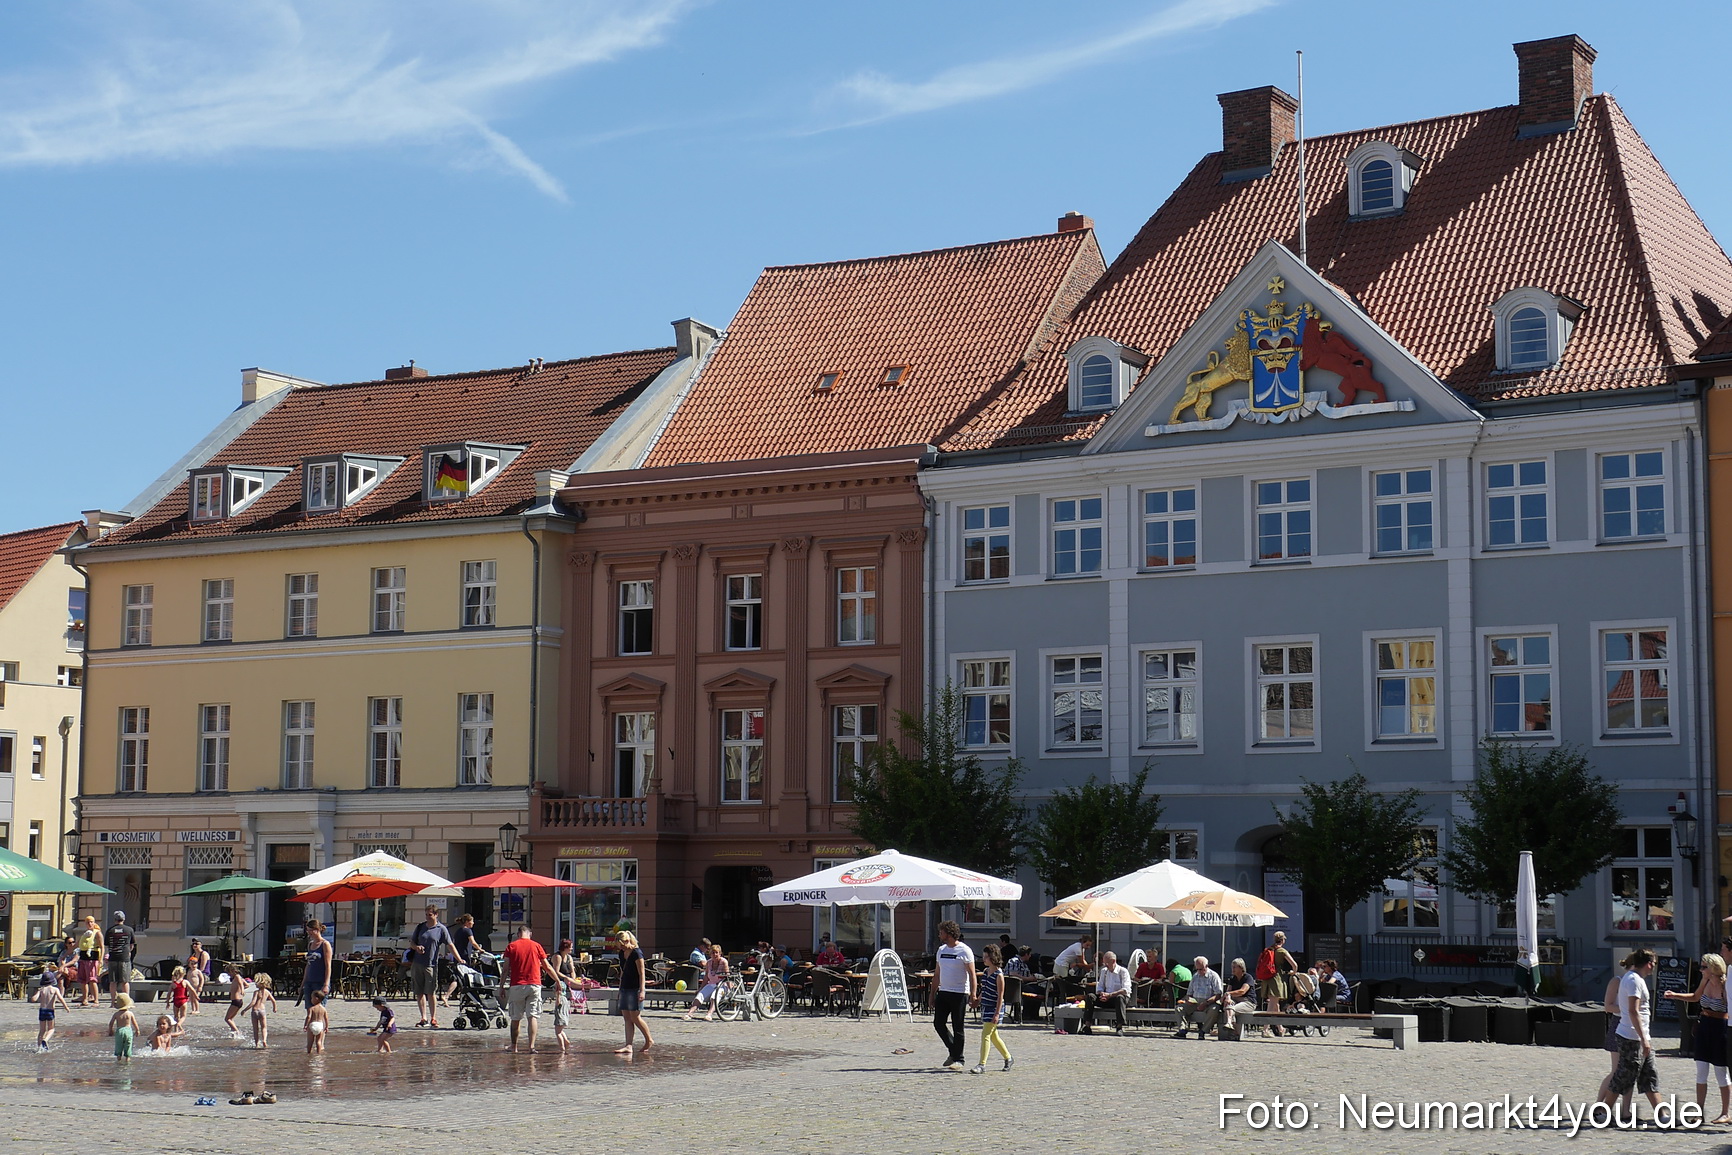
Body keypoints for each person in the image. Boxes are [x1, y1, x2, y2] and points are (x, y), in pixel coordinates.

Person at [1664, 951, 1730, 1124]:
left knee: (1720, 1072)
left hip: (1720, 1028)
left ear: (1713, 968)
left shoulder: (1726, 984)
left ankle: (1725, 1112)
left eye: (1703, 967)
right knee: (1701, 1071)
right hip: (1704, 1026)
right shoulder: (1705, 980)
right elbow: (1695, 997)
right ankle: (1699, 1112)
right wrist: (1675, 995)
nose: (1701, 970)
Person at [1599, 948, 1662, 1120]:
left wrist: (1645, 1038)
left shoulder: (1634, 978)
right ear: (1649, 964)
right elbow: (1633, 1012)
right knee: (1623, 1076)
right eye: (1654, 964)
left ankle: (1662, 1115)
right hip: (1631, 1037)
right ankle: (1603, 1112)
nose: (1654, 968)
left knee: (1649, 1074)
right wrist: (1643, 1039)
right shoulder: (1633, 980)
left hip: (1639, 1036)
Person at [503, 923, 555, 1053]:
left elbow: (505, 969)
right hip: (534, 984)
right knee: (532, 1017)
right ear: (530, 934)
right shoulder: (536, 946)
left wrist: (501, 986)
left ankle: (514, 1046)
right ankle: (531, 1047)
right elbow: (547, 967)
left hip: (517, 985)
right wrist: (558, 981)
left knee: (515, 1018)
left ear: (518, 934)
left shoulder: (511, 946)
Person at [932, 920, 976, 1071]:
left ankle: (959, 1059)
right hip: (944, 992)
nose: (939, 934)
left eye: (942, 932)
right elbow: (937, 974)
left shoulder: (964, 950)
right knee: (938, 1023)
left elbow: (972, 974)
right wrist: (932, 994)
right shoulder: (941, 950)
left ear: (949, 934)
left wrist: (973, 994)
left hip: (959, 993)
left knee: (958, 1026)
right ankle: (953, 1051)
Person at [408, 905, 460, 1028]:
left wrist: (459, 959)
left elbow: (450, 945)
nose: (427, 917)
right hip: (417, 963)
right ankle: (423, 1018)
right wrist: (416, 947)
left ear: (436, 915)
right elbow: (412, 942)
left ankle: (433, 1018)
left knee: (431, 992)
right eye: (426, 915)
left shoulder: (441, 929)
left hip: (431, 964)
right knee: (419, 992)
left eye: (430, 915)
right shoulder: (421, 927)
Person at [971, 944, 1012, 1074]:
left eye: (986, 957)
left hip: (995, 1007)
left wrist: (997, 1013)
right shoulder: (985, 972)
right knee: (994, 1036)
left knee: (986, 1035)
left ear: (993, 958)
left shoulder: (999, 975)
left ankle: (982, 1064)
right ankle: (1008, 1058)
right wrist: (978, 999)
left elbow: (1000, 996)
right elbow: (985, 989)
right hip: (986, 1005)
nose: (984, 959)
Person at [614, 930, 653, 1056]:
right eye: (620, 945)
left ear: (627, 940)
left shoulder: (637, 953)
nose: (622, 947)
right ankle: (628, 1045)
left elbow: (642, 973)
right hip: (625, 986)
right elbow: (622, 972)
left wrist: (642, 990)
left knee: (635, 1016)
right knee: (626, 1017)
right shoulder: (621, 953)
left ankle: (649, 1039)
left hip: (635, 988)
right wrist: (620, 990)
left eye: (622, 944)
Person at [1175, 955, 1224, 1040]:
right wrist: (1188, 999)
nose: (1199, 971)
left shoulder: (1213, 976)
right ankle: (1182, 1029)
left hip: (1209, 1002)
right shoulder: (1195, 976)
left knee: (1214, 1010)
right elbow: (1189, 993)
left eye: (1201, 969)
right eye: (1197, 969)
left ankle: (1203, 1031)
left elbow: (1218, 994)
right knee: (1179, 1008)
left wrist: (1206, 1003)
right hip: (1195, 1001)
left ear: (1206, 966)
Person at [1081, 951, 1131, 1034]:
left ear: (1113, 961)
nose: (1105, 965)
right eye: (1104, 963)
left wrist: (1110, 995)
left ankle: (1119, 1027)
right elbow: (1100, 987)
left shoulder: (1123, 971)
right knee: (1090, 997)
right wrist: (1102, 994)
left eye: (1107, 963)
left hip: (1119, 998)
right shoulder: (1104, 971)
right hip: (1107, 997)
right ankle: (1087, 1026)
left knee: (1120, 998)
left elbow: (1125, 990)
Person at [685, 941, 730, 1022]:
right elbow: (706, 977)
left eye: (717, 953)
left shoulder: (723, 962)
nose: (715, 955)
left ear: (720, 953)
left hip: (722, 985)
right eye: (713, 953)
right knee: (700, 995)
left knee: (714, 996)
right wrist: (700, 988)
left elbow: (727, 976)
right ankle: (690, 1013)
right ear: (710, 954)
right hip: (711, 984)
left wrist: (730, 988)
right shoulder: (709, 963)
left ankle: (709, 1014)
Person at [442, 913, 480, 1005]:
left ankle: (462, 997)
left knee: (458, 977)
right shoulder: (468, 931)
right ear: (467, 922)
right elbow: (473, 942)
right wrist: (480, 949)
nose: (473, 923)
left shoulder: (458, 931)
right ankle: (447, 996)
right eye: (472, 921)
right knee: (464, 978)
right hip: (464, 957)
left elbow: (454, 944)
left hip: (457, 956)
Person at [300, 918, 333, 1010]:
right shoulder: (310, 944)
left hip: (320, 982)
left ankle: (320, 1025)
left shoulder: (325, 944)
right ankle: (310, 1025)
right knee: (309, 1009)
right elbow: (308, 965)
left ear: (317, 930)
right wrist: (302, 984)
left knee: (318, 1010)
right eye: (307, 930)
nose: (309, 933)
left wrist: (326, 984)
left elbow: (328, 966)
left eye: (311, 930)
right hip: (309, 981)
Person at [105, 910, 137, 998]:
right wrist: (129, 952)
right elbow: (132, 945)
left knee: (113, 981)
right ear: (124, 919)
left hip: (113, 958)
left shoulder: (110, 930)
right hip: (124, 957)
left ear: (114, 919)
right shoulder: (129, 930)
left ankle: (112, 1001)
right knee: (125, 981)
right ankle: (126, 1001)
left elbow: (107, 946)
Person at [35, 970, 69, 1051]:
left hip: (42, 1011)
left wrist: (37, 993)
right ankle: (45, 1040)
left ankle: (39, 1047)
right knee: (51, 1029)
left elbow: (34, 999)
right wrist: (66, 1007)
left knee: (42, 1030)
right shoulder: (55, 989)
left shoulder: (42, 990)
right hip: (50, 1011)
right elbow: (61, 999)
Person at [76, 915, 104, 1007]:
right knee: (83, 980)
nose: (89, 924)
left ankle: (96, 1000)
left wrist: (101, 959)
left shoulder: (97, 933)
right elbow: (77, 944)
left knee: (92, 979)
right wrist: (65, 955)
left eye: (91, 922)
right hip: (83, 958)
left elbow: (102, 947)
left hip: (92, 959)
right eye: (88, 922)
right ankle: (85, 999)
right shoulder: (85, 933)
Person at [1223, 958, 1257, 1030]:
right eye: (1232, 967)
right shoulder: (1232, 978)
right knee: (1228, 1005)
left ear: (1241, 968)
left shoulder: (1248, 977)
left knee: (1231, 1008)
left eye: (1234, 967)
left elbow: (1242, 991)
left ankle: (1229, 1023)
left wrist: (1228, 994)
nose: (1232, 969)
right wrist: (1228, 998)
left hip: (1248, 1002)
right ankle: (1232, 1027)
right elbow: (1228, 991)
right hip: (1236, 1001)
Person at [248, 973, 278, 1049]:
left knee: (255, 1029)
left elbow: (253, 1002)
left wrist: (245, 1010)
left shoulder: (256, 992)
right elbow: (273, 1001)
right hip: (262, 1011)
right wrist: (274, 1008)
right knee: (264, 1028)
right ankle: (264, 1040)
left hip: (254, 1011)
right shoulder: (267, 992)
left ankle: (257, 1044)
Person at [108, 994, 139, 1060]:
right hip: (128, 1030)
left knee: (119, 1045)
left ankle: (119, 1058)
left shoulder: (116, 1014)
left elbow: (111, 1023)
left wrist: (110, 1030)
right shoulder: (130, 1013)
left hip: (119, 1031)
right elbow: (134, 1023)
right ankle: (127, 1059)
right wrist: (137, 1030)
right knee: (128, 1045)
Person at [224, 970, 254, 1038]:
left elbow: (241, 983)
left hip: (236, 1000)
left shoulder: (237, 977)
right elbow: (247, 985)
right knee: (231, 1019)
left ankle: (237, 1032)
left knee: (227, 1019)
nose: (229, 974)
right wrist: (240, 989)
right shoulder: (240, 978)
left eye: (229, 972)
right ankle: (234, 1034)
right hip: (238, 1001)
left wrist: (242, 990)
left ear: (233, 971)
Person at [186, 940, 210, 1013]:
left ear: (201, 945)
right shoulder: (193, 954)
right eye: (193, 944)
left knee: (195, 996)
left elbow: (202, 968)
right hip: (193, 974)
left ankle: (197, 1009)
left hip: (203, 974)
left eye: (197, 944)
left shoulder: (204, 954)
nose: (195, 945)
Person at [304, 990, 330, 1054]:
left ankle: (309, 1053)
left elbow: (309, 1017)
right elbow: (326, 1018)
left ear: (316, 998)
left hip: (312, 1024)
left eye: (312, 998)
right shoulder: (323, 1009)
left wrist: (305, 1025)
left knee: (310, 1041)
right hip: (320, 1025)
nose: (311, 1000)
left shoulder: (312, 1008)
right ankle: (318, 1053)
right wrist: (326, 1027)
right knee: (318, 1041)